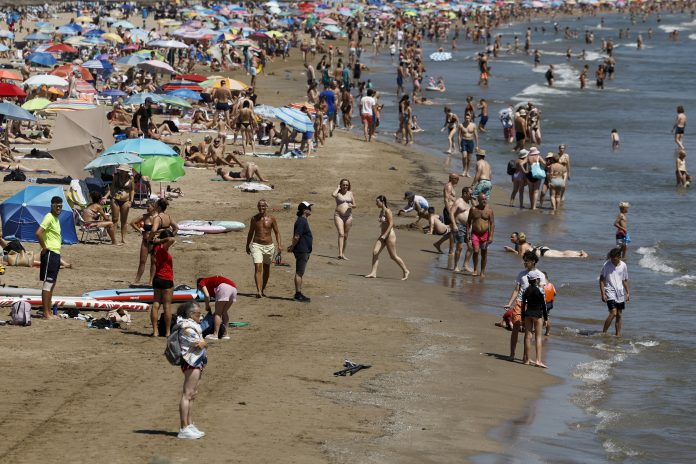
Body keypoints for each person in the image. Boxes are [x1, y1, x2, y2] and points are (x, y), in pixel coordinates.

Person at [504, 251, 547, 362]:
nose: (525, 263)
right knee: (516, 326)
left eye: (527, 261)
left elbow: (542, 293)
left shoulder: (540, 275)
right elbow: (516, 290)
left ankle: (526, 357)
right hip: (520, 302)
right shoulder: (521, 274)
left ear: (533, 261)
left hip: (532, 305)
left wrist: (543, 310)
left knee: (528, 331)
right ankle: (512, 354)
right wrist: (509, 303)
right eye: (524, 261)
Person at [176, 302, 208, 440]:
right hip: (191, 362)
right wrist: (204, 342)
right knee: (187, 394)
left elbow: (202, 343)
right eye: (198, 314)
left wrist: (204, 343)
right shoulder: (187, 327)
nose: (200, 317)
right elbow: (199, 344)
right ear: (190, 314)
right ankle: (183, 428)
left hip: (196, 361)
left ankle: (189, 424)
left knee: (193, 394)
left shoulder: (191, 325)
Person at [365, 195, 409, 280]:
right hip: (383, 235)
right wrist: (381, 222)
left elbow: (391, 223)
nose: (376, 203)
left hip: (389, 236)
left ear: (382, 202)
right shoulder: (381, 211)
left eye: (377, 202)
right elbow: (384, 222)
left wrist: (385, 234)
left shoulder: (387, 211)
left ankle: (406, 270)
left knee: (393, 256)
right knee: (375, 252)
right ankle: (373, 273)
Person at [246, 199, 282, 298]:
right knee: (258, 267)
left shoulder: (272, 218)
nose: (261, 208)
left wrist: (279, 245)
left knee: (266, 268)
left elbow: (277, 232)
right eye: (259, 206)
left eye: (263, 206)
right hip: (257, 245)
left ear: (266, 207)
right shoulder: (254, 219)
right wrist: (247, 245)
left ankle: (263, 288)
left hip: (269, 246)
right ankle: (258, 291)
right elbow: (250, 232)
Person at [35, 196, 63, 320]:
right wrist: (44, 247)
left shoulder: (56, 218)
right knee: (48, 283)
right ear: (52, 205)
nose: (58, 208)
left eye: (60, 206)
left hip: (55, 253)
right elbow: (38, 233)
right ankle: (46, 313)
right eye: (56, 206)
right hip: (50, 253)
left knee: (52, 284)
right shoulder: (49, 217)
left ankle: (49, 312)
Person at [521, 270, 548, 368]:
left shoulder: (526, 290)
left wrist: (522, 318)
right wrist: (546, 318)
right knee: (538, 337)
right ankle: (538, 360)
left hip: (528, 314)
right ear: (536, 280)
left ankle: (527, 359)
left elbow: (523, 305)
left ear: (528, 280)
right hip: (537, 314)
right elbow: (544, 305)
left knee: (528, 337)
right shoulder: (540, 290)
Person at [600, 247, 630, 337]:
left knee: (619, 315)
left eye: (614, 258)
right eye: (611, 258)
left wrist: (628, 292)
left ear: (619, 257)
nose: (612, 260)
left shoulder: (623, 265)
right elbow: (601, 280)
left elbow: (625, 280)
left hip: (620, 292)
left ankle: (618, 335)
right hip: (609, 291)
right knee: (613, 313)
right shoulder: (606, 265)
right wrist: (603, 294)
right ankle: (604, 333)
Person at [151, 229, 175, 337]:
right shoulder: (162, 247)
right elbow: (171, 239)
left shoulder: (155, 248)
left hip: (157, 279)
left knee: (156, 305)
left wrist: (157, 239)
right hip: (166, 279)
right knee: (167, 306)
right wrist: (160, 240)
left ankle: (155, 331)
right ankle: (168, 331)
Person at [287, 201, 313, 302]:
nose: (310, 210)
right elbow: (297, 236)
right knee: (299, 273)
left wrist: (292, 246)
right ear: (304, 210)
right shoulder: (302, 221)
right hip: (302, 250)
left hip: (303, 249)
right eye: (309, 208)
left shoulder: (302, 220)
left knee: (300, 272)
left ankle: (299, 293)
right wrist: (292, 247)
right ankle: (298, 294)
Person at [198, 275, 237, 340]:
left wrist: (207, 306)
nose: (201, 291)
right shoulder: (211, 285)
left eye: (199, 289)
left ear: (198, 285)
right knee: (224, 312)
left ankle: (215, 334)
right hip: (234, 288)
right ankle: (225, 334)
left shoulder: (201, 282)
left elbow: (207, 295)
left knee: (218, 313)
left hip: (224, 287)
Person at [466, 192, 494, 277]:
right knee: (476, 251)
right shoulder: (473, 209)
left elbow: (492, 223)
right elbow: (468, 222)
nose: (484, 201)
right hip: (475, 234)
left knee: (484, 253)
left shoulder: (489, 210)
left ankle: (482, 272)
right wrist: (467, 234)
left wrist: (491, 236)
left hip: (485, 234)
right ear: (478, 200)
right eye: (482, 199)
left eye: (485, 199)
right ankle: (475, 269)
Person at [130, 199, 157, 284]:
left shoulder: (158, 217)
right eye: (146, 206)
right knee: (142, 261)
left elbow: (166, 227)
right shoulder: (145, 216)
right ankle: (137, 280)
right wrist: (140, 230)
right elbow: (132, 222)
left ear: (154, 206)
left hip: (155, 242)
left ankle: (151, 281)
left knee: (153, 262)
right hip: (145, 241)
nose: (147, 208)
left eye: (148, 206)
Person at [504, 231, 588, 258]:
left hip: (542, 252)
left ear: (517, 238)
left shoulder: (521, 245)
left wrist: (511, 250)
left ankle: (580, 256)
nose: (511, 238)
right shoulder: (524, 243)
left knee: (562, 255)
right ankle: (578, 253)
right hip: (541, 249)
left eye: (512, 237)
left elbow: (520, 256)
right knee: (561, 253)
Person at [110, 164, 135, 244]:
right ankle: (114, 239)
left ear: (126, 171)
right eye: (121, 170)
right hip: (116, 199)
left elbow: (132, 190)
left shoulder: (131, 178)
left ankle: (123, 238)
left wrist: (131, 200)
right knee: (115, 219)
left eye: (123, 170)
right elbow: (112, 187)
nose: (121, 171)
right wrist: (112, 196)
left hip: (126, 200)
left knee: (124, 220)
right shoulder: (116, 176)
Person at [332, 179, 356, 260]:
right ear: (341, 185)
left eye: (347, 185)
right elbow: (333, 194)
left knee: (345, 236)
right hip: (338, 215)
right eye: (344, 185)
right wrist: (338, 188)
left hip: (348, 216)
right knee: (341, 234)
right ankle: (340, 254)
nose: (345, 186)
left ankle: (343, 254)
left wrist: (352, 206)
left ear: (348, 186)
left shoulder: (350, 193)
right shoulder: (338, 193)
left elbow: (355, 205)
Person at [452, 187, 474, 273]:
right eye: (470, 194)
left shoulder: (469, 202)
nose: (471, 195)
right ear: (465, 193)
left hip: (468, 227)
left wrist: (472, 199)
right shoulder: (459, 201)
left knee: (471, 247)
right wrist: (454, 224)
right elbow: (451, 213)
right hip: (459, 225)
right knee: (459, 247)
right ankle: (455, 266)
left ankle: (465, 265)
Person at [457, 113, 478, 177]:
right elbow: (459, 136)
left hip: (470, 142)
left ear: (470, 118)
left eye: (468, 118)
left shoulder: (473, 125)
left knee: (469, 159)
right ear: (464, 118)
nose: (467, 119)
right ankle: (464, 170)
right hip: (464, 141)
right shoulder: (461, 125)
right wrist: (459, 146)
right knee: (464, 156)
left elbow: (476, 136)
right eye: (466, 118)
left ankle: (467, 172)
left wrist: (477, 146)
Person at [542, 271, 556, 336]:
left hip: (542, 305)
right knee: (547, 318)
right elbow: (555, 293)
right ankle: (547, 332)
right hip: (549, 304)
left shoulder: (542, 285)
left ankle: (536, 329)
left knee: (539, 318)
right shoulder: (551, 285)